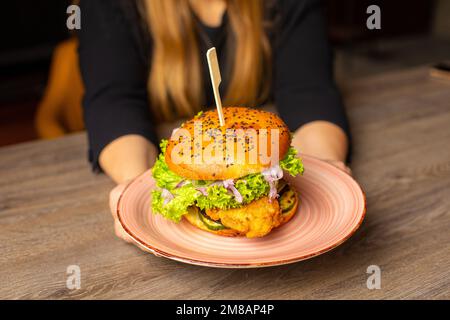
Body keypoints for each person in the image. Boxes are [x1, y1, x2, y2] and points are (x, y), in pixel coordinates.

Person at [79, 0, 350, 241]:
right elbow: (114, 101)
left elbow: (310, 91)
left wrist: (326, 168)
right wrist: (133, 184)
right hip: (182, 152)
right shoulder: (113, 6)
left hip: (264, 149)